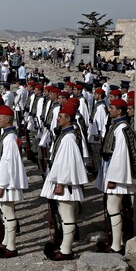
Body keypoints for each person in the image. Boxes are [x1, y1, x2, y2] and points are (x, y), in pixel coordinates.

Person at [40, 103, 89, 260]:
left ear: (68, 118)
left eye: (61, 116)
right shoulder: (65, 135)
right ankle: (64, 247)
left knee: (67, 217)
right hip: (63, 183)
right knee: (66, 215)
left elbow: (67, 164)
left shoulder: (68, 138)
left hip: (65, 184)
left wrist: (60, 183)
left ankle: (66, 250)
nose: (58, 119)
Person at [95, 98, 136, 254]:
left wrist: (113, 179)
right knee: (115, 208)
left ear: (120, 111)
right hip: (113, 172)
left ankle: (116, 246)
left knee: (113, 208)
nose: (110, 110)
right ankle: (118, 241)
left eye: (113, 108)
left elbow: (120, 156)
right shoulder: (117, 126)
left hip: (117, 175)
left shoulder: (121, 128)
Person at [0, 105, 29, 259]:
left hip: (7, 183)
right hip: (4, 180)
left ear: (8, 119)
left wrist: (1, 185)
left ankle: (11, 247)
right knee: (5, 212)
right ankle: (5, 241)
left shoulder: (9, 138)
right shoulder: (6, 135)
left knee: (9, 213)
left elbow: (7, 163)